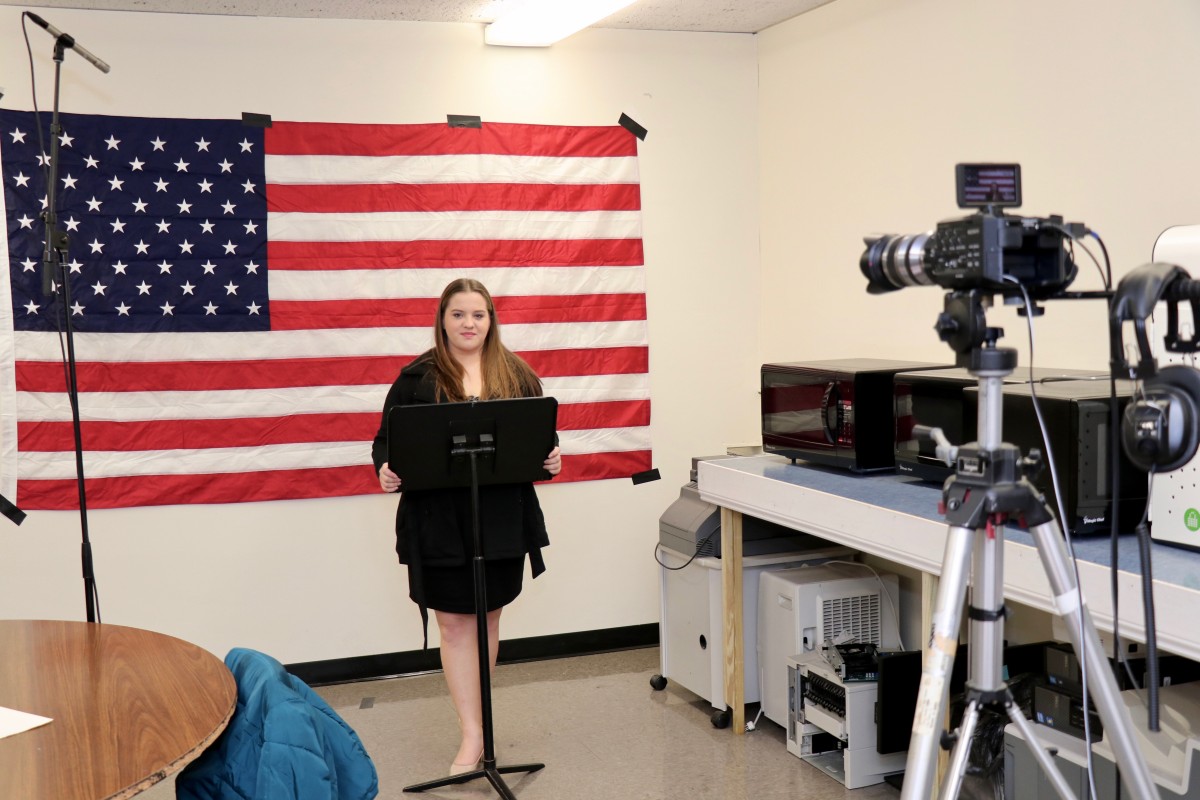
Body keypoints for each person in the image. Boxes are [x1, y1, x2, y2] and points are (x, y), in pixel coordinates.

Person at [371, 278, 562, 775]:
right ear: (442, 320)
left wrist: (553, 460)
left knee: (490, 617)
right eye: (458, 315)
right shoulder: (415, 379)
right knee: (454, 624)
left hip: (500, 518)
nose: (469, 324)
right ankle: (472, 736)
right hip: (438, 522)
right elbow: (385, 443)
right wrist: (385, 469)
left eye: (478, 315)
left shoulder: (518, 374)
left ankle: (481, 728)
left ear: (491, 320)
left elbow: (540, 443)